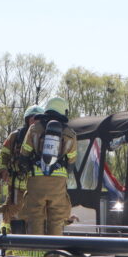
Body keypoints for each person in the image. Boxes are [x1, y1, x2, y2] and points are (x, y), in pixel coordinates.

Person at [17, 97, 77, 237]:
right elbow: (71, 163)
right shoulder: (70, 134)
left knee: (35, 217)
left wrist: (28, 169)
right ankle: (54, 253)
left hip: (36, 182)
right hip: (57, 184)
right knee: (56, 219)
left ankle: (36, 252)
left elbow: (24, 154)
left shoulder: (34, 128)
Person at [0, 104, 44, 234]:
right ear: (27, 120)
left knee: (35, 220)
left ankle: (32, 250)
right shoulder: (15, 136)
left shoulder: (45, 138)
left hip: (37, 188)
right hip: (16, 189)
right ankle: (9, 248)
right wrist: (3, 169)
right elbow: (3, 155)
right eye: (32, 119)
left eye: (38, 119)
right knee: (13, 220)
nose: (34, 122)